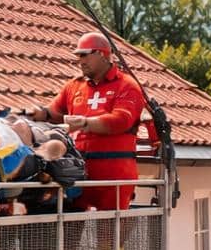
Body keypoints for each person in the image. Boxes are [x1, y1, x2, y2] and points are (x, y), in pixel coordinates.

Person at [26, 32, 147, 212]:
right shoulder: (75, 86)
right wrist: (39, 113)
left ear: (102, 54)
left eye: (84, 55)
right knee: (71, 229)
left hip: (114, 177)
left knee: (109, 234)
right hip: (78, 173)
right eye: (78, 56)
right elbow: (54, 112)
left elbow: (122, 120)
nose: (80, 61)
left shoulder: (127, 85)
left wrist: (84, 123)